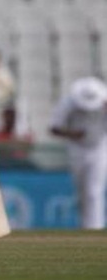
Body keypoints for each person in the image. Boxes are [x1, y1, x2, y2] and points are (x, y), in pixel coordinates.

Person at [50, 76, 107, 230]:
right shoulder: (67, 104)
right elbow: (54, 128)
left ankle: (96, 227)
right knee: (82, 190)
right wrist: (73, 134)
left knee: (94, 190)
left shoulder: (104, 102)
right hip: (77, 148)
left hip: (99, 147)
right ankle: (86, 226)